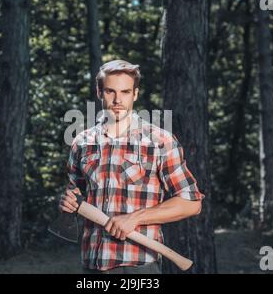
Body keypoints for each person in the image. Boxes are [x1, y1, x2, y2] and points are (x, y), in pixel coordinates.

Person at [59, 60, 204, 274]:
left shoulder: (160, 141)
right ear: (99, 92)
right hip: (92, 264)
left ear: (135, 94)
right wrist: (67, 202)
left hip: (138, 266)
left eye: (125, 92)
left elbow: (191, 203)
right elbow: (76, 197)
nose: (118, 100)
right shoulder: (82, 142)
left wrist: (135, 218)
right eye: (110, 91)